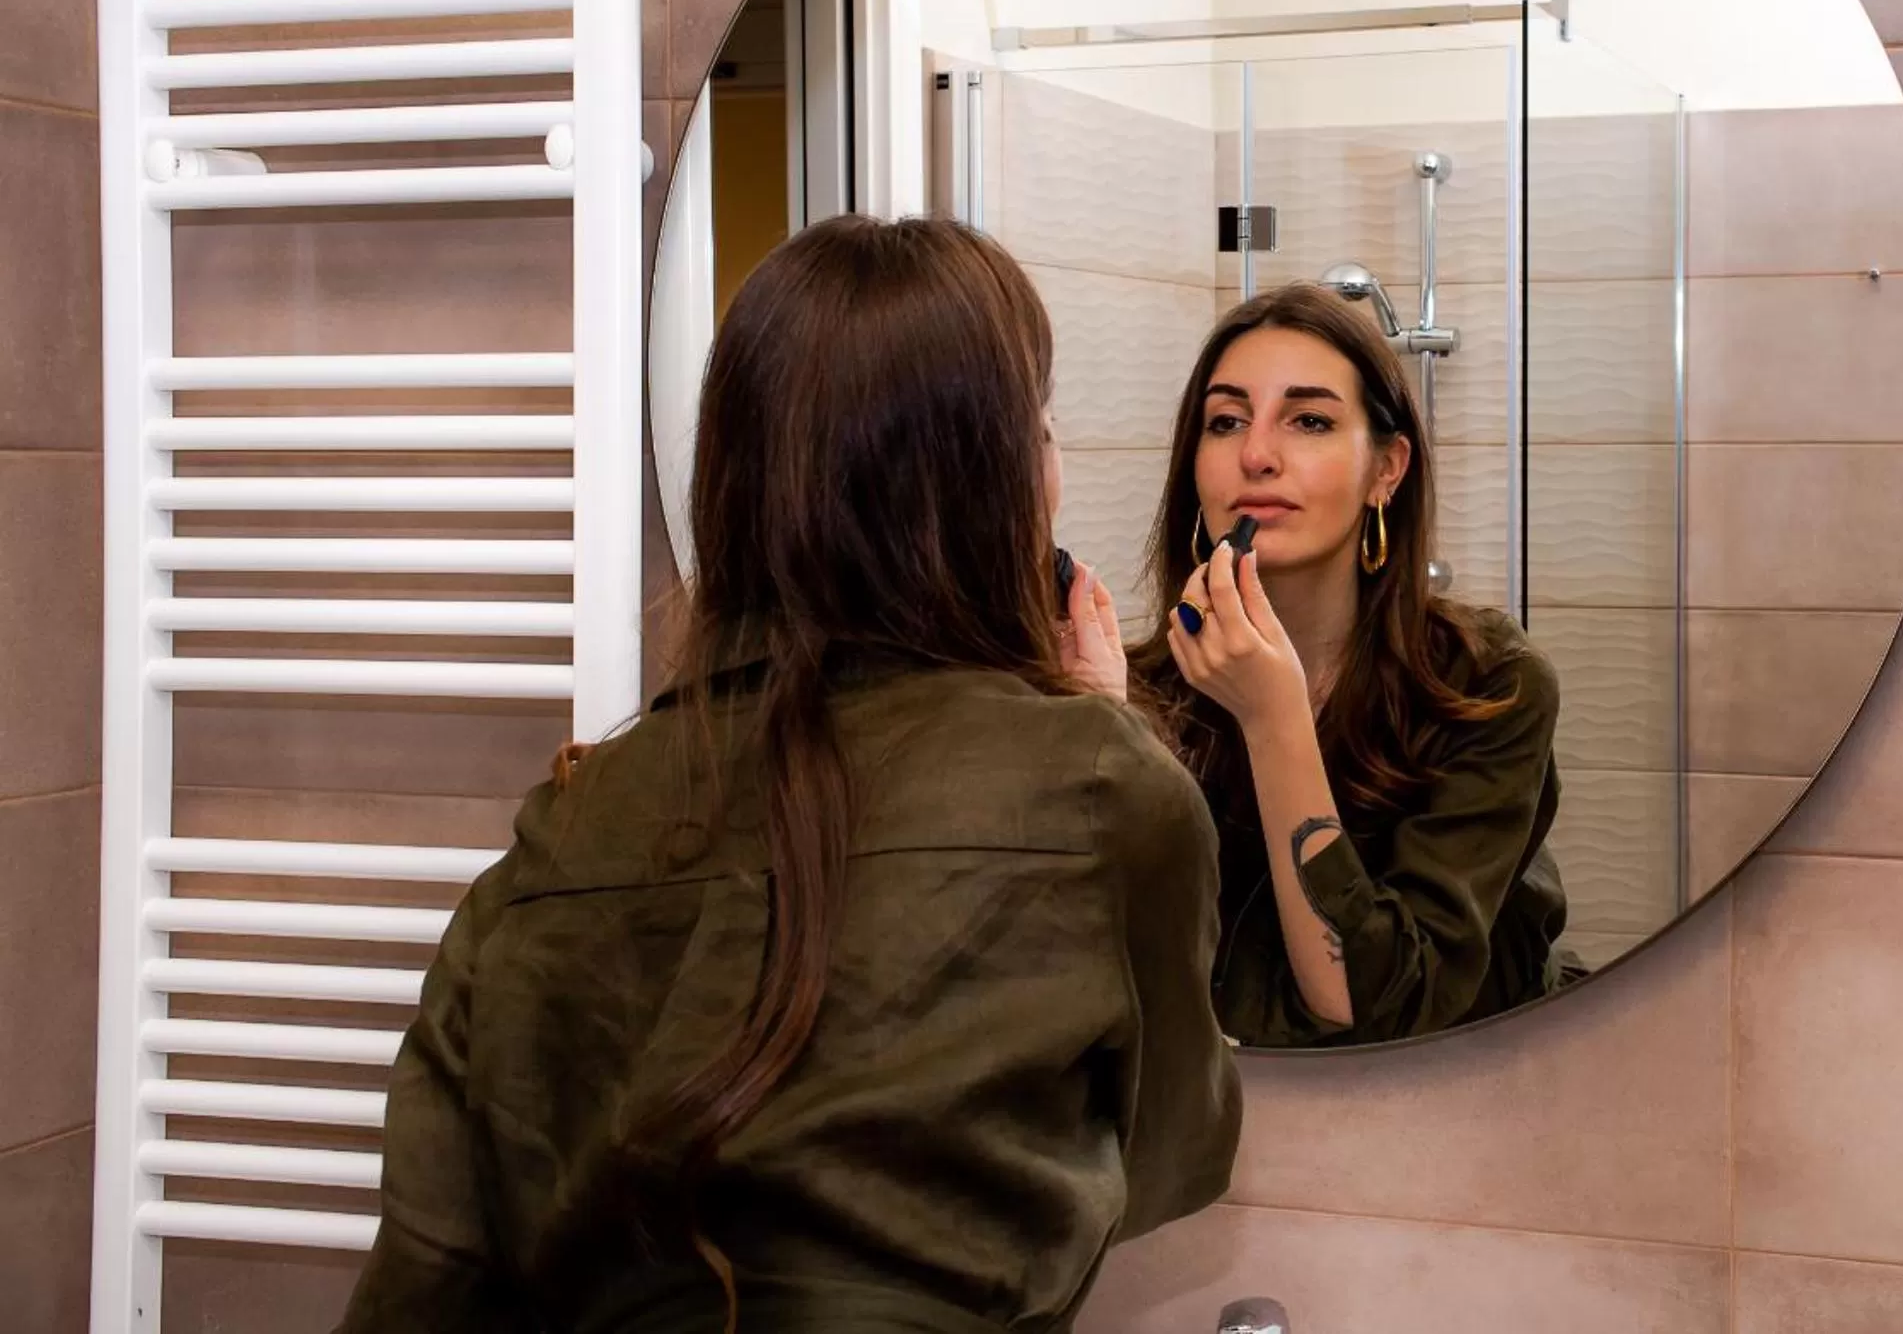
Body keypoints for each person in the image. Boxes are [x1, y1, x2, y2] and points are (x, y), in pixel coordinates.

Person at [340, 216, 1240, 1334]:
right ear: (996, 489)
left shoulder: (559, 836)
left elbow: (424, 1285)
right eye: (1043, 435)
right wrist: (1095, 734)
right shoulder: (1099, 792)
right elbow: (1173, 1161)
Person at [1128, 282, 1575, 1049]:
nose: (1257, 456)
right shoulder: (1148, 691)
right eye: (1226, 421)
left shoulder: (1489, 688)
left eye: (1309, 421)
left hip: (1466, 1109)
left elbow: (1373, 1007)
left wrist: (1274, 721)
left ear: (1386, 469)